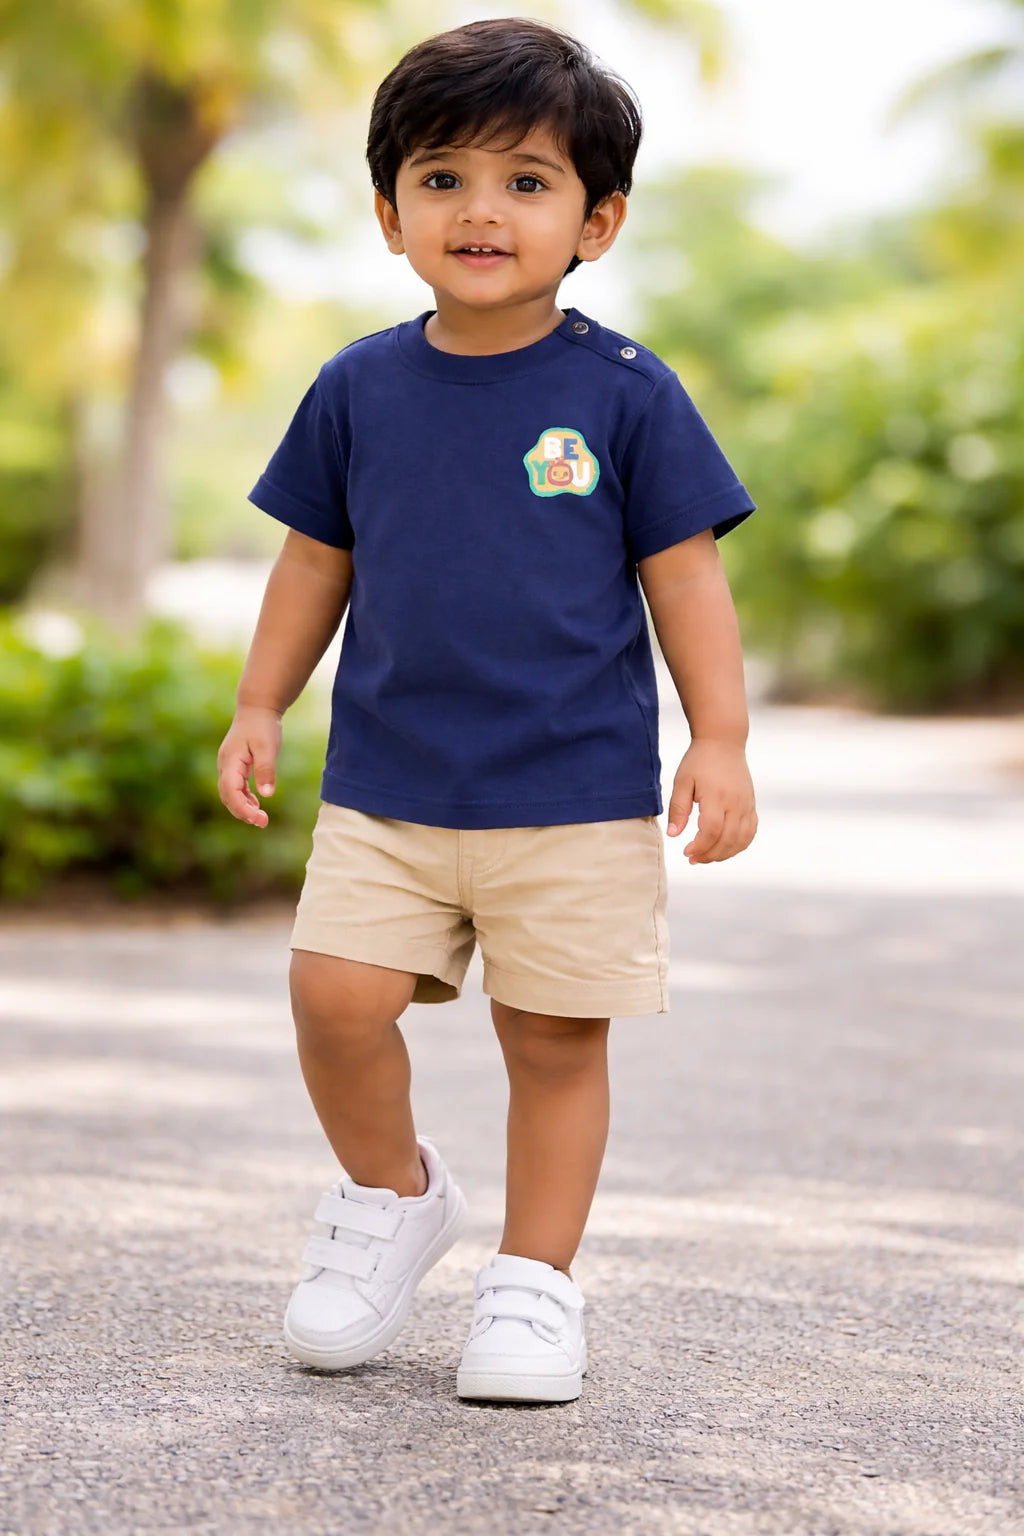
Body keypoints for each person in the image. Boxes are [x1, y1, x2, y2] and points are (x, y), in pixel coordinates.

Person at [217, 16, 758, 1404]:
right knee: (333, 999)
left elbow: (684, 576)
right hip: (388, 786)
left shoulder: (626, 394)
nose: (481, 210)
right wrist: (261, 702)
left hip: (572, 793)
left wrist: (721, 738)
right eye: (444, 177)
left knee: (554, 1039)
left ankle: (534, 1283)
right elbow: (315, 562)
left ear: (598, 221)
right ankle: (392, 1198)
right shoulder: (357, 385)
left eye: (528, 181)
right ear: (389, 211)